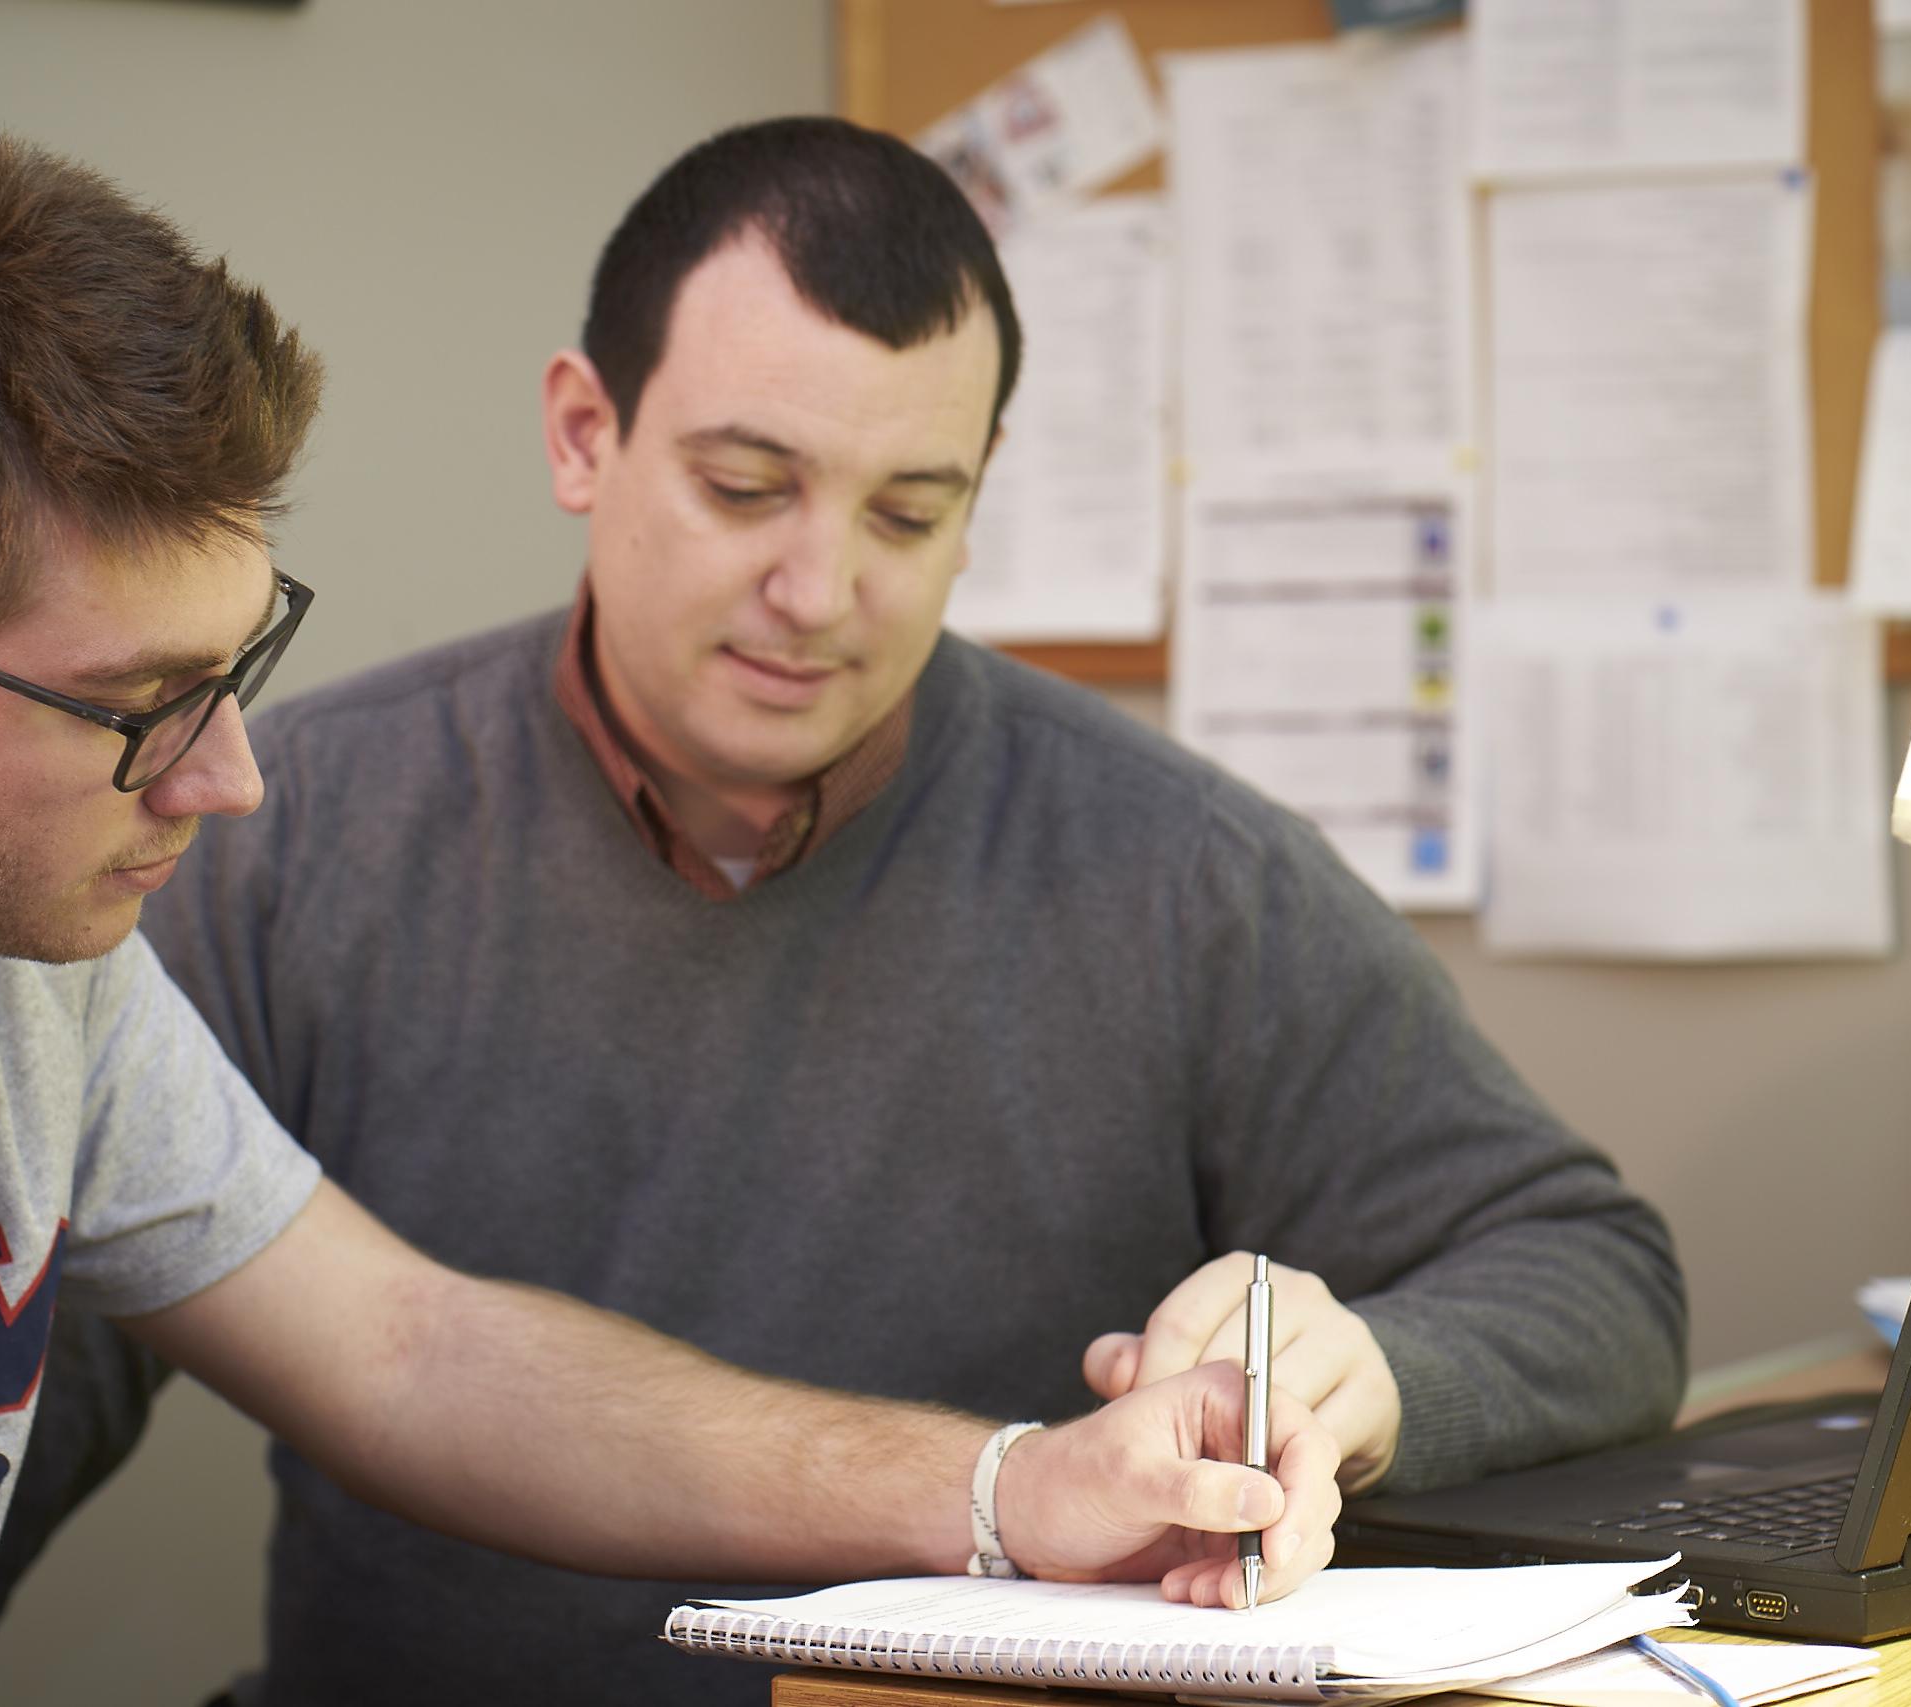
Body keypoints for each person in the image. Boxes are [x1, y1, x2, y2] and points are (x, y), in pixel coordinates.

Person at [0, 126, 1348, 1707]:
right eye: (145, 710)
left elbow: (401, 1348)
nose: (226, 778)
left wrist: (1008, 1489)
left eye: (243, 667)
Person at [89, 117, 1682, 1707]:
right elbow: (21, 1331)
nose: (822, 588)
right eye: (746, 485)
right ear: (585, 433)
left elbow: (1593, 1275)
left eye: (909, 514)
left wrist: (1369, 1382)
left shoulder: (1183, 874)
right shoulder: (269, 832)